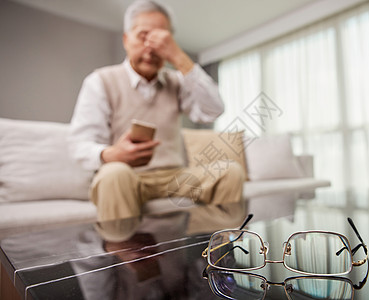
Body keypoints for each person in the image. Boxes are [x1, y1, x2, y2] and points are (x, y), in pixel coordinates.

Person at [68, 0, 245, 221]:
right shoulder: (100, 81)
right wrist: (111, 154)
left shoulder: (177, 82)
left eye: (162, 39)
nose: (152, 47)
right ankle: (124, 255)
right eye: (144, 36)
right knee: (113, 174)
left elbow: (214, 110)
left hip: (175, 176)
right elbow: (79, 145)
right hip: (127, 175)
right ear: (126, 39)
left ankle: (221, 251)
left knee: (230, 172)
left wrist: (179, 57)